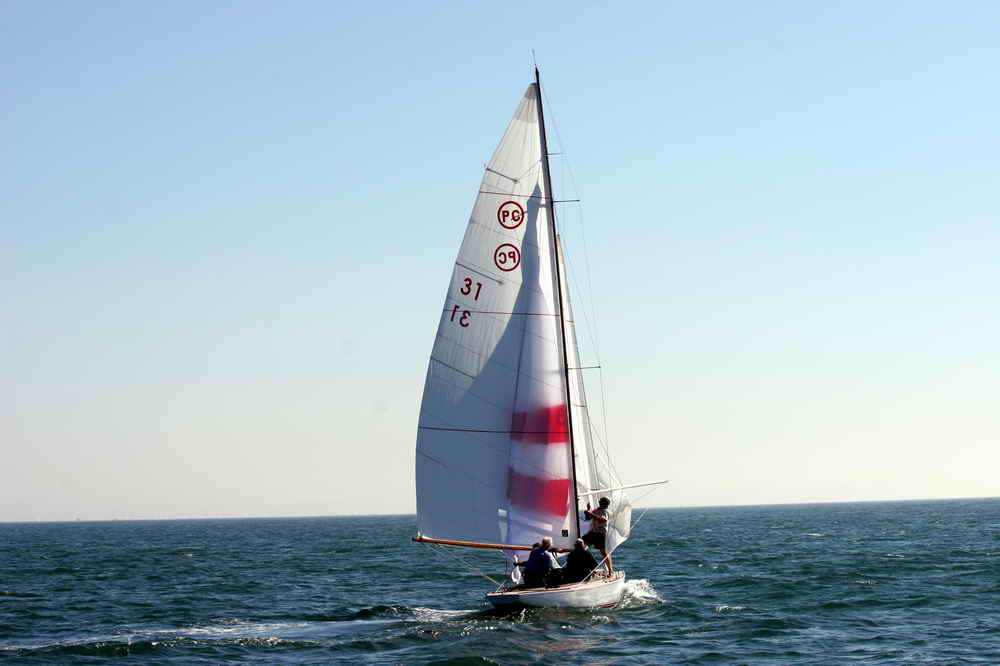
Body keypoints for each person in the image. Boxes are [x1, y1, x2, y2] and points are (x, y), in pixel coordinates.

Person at [583, 496, 613, 573]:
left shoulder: (605, 511)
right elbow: (588, 518)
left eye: (601, 502)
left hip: (601, 534)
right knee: (581, 545)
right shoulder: (595, 510)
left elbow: (603, 520)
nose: (599, 502)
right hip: (593, 532)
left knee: (603, 553)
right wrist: (588, 510)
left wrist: (590, 513)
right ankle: (584, 567)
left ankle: (610, 570)